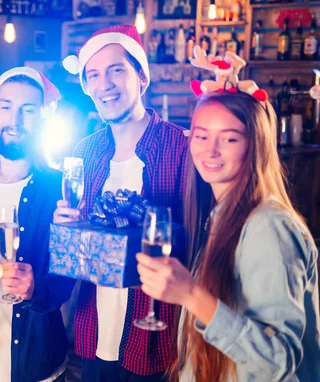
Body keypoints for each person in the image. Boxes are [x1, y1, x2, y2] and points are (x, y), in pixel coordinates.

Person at [137, 90, 320, 381]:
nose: (211, 151)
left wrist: (191, 295)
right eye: (201, 136)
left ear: (255, 145)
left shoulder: (268, 225)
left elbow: (280, 361)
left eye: (230, 138)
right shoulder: (220, 217)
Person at [54, 24, 189, 381]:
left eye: (116, 70)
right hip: (95, 332)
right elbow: (81, 252)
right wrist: (67, 230)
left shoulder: (182, 148)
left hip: (158, 338)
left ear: (141, 77)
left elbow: (199, 244)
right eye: (94, 75)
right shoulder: (84, 152)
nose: (105, 84)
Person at [0, 67, 73, 382]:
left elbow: (65, 281)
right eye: (6, 106)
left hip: (37, 362)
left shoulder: (58, 186)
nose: (16, 120)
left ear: (42, 118)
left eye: (28, 110)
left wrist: (35, 289)